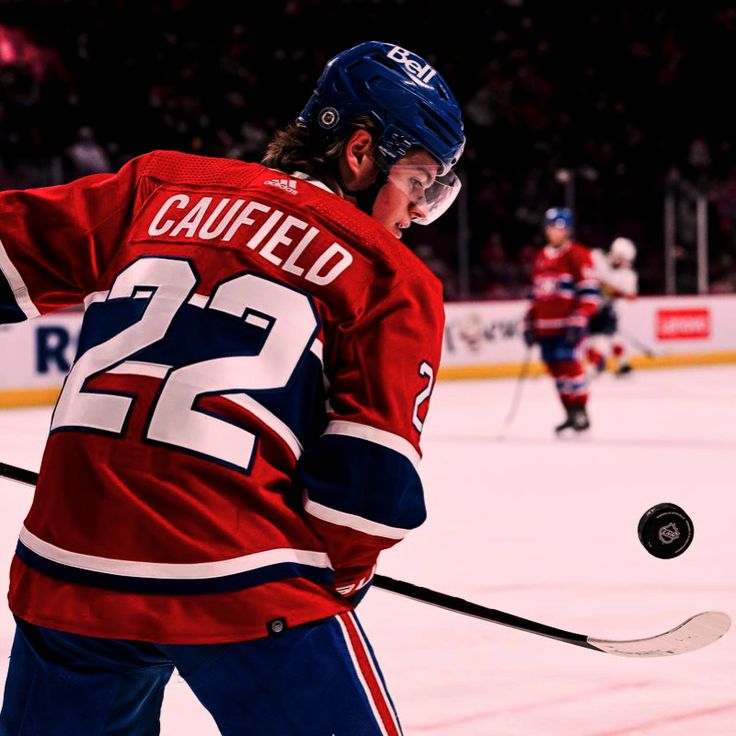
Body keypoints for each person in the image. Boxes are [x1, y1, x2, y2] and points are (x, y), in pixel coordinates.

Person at [0, 41, 464, 736]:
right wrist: (334, 584)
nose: (416, 212)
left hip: (67, 572)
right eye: (420, 180)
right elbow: (367, 501)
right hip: (243, 581)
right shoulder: (387, 275)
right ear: (361, 153)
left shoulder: (156, 186)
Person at [523, 207, 600, 433]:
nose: (554, 232)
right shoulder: (540, 257)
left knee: (571, 368)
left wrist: (579, 319)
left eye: (559, 227)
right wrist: (530, 323)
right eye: (551, 228)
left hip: (567, 327)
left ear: (567, 229)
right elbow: (536, 295)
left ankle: (581, 412)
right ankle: (568, 412)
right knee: (556, 371)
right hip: (545, 328)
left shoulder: (578, 254)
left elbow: (589, 292)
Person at [586, 237, 639, 375]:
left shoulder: (628, 275)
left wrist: (613, 291)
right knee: (594, 340)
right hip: (590, 306)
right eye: (622, 258)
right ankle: (616, 363)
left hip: (608, 310)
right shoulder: (597, 257)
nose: (623, 263)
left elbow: (631, 296)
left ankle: (596, 366)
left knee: (602, 339)